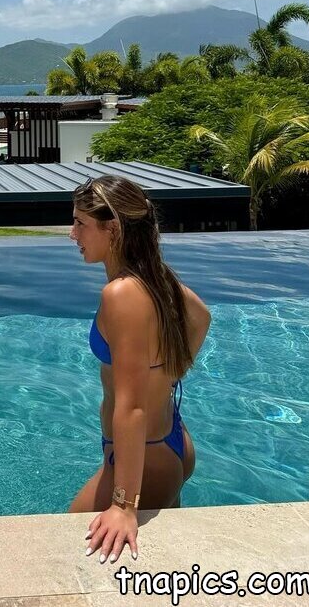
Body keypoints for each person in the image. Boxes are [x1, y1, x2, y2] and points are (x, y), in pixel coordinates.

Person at [68, 175, 211, 564]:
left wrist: (123, 505)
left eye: (81, 223)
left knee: (64, 543)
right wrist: (167, 376)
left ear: (112, 229)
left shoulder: (121, 294)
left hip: (145, 460)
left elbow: (130, 408)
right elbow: (201, 317)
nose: (72, 234)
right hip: (169, 442)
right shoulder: (154, 276)